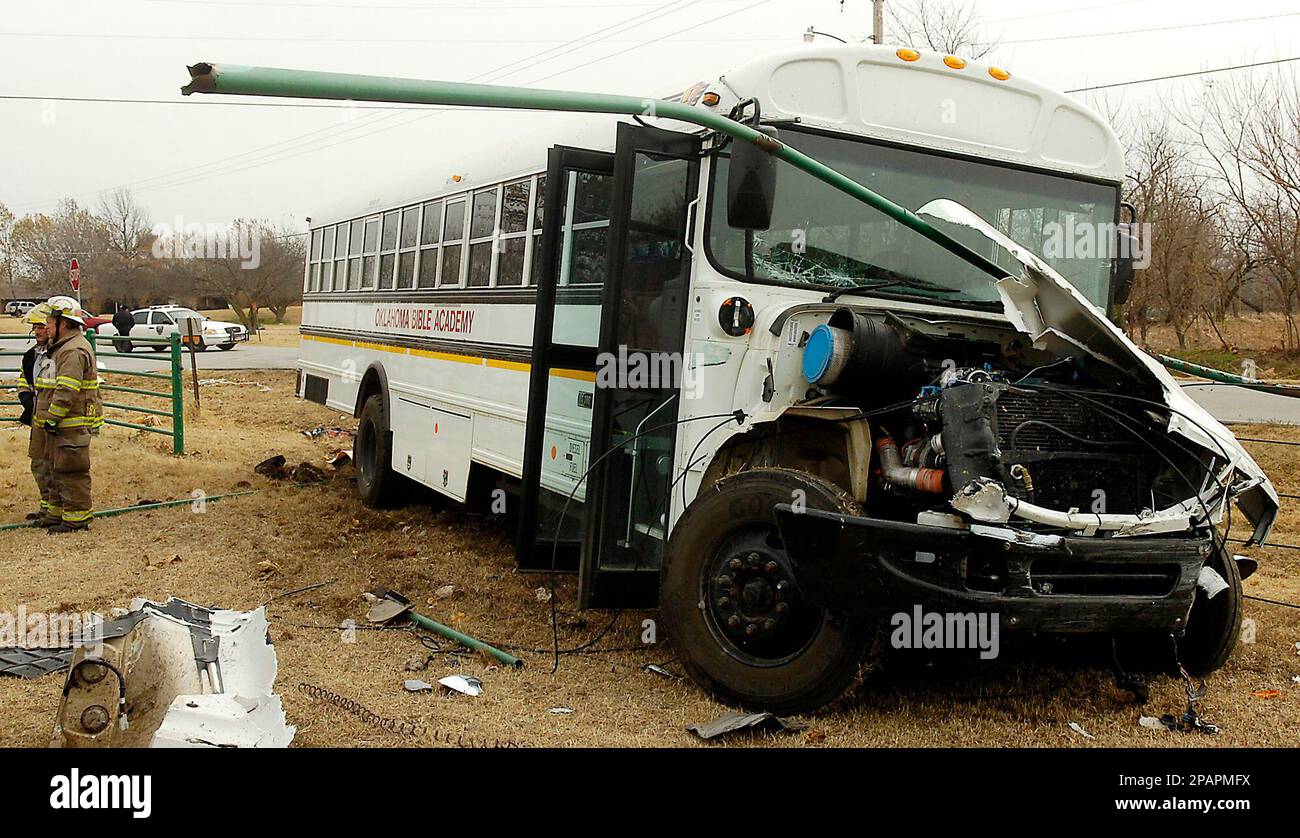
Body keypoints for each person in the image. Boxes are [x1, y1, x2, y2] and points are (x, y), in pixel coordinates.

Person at [35, 296, 103, 533]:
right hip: (60, 422)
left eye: (50, 323)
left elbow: (67, 389)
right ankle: (56, 514)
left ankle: (76, 518)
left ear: (63, 324)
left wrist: (52, 417)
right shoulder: (61, 348)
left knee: (71, 471)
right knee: (56, 469)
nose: (46, 328)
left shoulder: (73, 351)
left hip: (69, 422)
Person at [16, 303, 56, 523]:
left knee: (54, 464)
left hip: (55, 418)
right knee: (38, 463)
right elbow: (24, 378)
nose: (38, 331)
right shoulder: (31, 355)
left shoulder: (60, 353)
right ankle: (46, 506)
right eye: (35, 327)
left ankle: (56, 509)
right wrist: (24, 396)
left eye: (42, 326)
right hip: (36, 416)